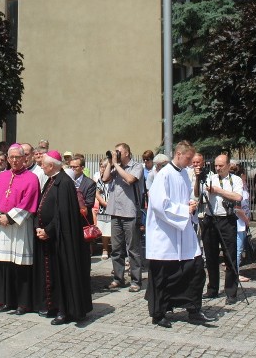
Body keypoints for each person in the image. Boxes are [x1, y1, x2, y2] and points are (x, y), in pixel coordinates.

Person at [145, 140, 212, 327]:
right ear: (179, 154)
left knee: (196, 269)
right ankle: (159, 314)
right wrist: (184, 209)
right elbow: (159, 204)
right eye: (189, 158)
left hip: (184, 232)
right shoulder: (163, 175)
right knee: (162, 276)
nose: (191, 162)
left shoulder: (184, 174)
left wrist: (191, 204)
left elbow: (188, 196)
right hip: (165, 235)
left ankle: (193, 309)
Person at [33, 151, 93, 325]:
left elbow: (63, 214)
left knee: (63, 274)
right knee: (52, 273)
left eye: (43, 164)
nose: (41, 166)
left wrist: (48, 230)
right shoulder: (51, 180)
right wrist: (39, 226)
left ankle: (65, 310)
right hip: (50, 237)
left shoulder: (64, 183)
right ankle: (53, 305)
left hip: (62, 238)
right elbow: (42, 205)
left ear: (51, 166)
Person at [0, 143, 41, 314]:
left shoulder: (31, 178)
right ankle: (5, 300)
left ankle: (23, 303)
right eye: (11, 157)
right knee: (3, 265)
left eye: (17, 157)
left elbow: (29, 202)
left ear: (24, 158)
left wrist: (9, 217)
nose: (14, 161)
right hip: (1, 227)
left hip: (19, 226)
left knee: (20, 265)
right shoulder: (1, 177)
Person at [195, 153, 242, 303]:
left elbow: (238, 197)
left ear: (228, 165)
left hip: (226, 220)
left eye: (221, 166)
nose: (218, 168)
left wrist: (218, 191)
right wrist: (197, 179)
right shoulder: (210, 178)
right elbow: (197, 194)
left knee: (230, 256)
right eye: (216, 165)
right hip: (210, 218)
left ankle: (231, 292)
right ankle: (213, 288)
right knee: (211, 256)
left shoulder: (236, 180)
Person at [100, 142, 144, 292]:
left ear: (126, 153)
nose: (116, 154)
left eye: (118, 152)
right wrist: (110, 163)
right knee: (116, 249)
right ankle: (118, 278)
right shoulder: (114, 167)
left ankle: (136, 281)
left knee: (133, 248)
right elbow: (105, 179)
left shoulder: (137, 166)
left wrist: (117, 166)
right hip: (115, 212)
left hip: (130, 212)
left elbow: (130, 180)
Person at [230, 162, 251, 282]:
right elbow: (237, 208)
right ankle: (235, 273)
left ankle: (235, 271)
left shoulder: (244, 187)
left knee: (238, 248)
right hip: (239, 222)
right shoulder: (238, 188)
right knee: (237, 249)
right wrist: (246, 220)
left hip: (242, 223)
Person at [94, 159, 112, 260]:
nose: (102, 169)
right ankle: (105, 249)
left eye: (104, 167)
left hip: (114, 208)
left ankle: (114, 249)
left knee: (113, 230)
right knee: (104, 230)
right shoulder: (100, 180)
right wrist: (104, 203)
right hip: (103, 208)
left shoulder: (114, 179)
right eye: (101, 166)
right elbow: (97, 193)